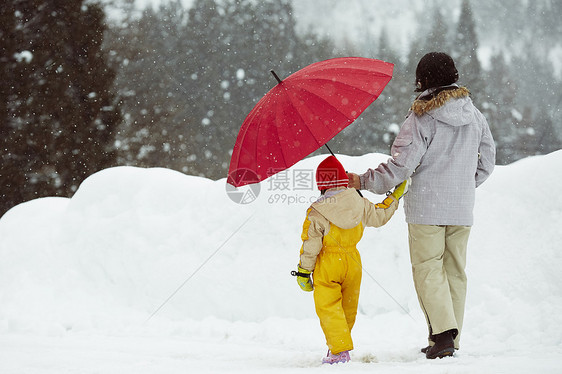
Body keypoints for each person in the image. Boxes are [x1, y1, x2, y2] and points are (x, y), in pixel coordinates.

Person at [348, 52, 496, 359]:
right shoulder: (476, 116)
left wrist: (361, 182)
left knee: (428, 269)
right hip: (461, 209)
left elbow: (400, 168)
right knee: (455, 271)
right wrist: (464, 186)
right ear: (454, 77)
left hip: (426, 209)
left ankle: (441, 336)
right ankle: (448, 339)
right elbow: (488, 162)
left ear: (423, 81)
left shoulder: (421, 119)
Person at [292, 155, 409, 364]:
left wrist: (303, 271)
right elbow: (380, 216)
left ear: (322, 184)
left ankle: (339, 351)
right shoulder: (360, 203)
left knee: (329, 308)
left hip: (327, 264)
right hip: (353, 262)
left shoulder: (317, 212)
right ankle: (339, 346)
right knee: (348, 307)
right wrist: (394, 198)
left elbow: (310, 245)